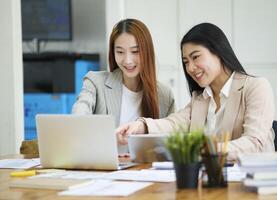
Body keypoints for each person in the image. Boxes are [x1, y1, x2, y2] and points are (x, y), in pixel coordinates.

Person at [116, 23, 275, 160]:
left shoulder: (255, 87)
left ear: (218, 52)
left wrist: (204, 151)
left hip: (251, 184)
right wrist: (141, 126)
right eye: (186, 62)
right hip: (211, 182)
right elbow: (175, 123)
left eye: (196, 57)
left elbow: (254, 143)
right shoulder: (200, 98)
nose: (190, 68)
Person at [20, 18, 175, 156]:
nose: (128, 60)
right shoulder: (95, 82)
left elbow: (171, 141)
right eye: (120, 52)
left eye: (135, 52)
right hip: (103, 173)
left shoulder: (164, 95)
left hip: (145, 175)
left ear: (147, 52)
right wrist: (105, 137)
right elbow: (79, 116)